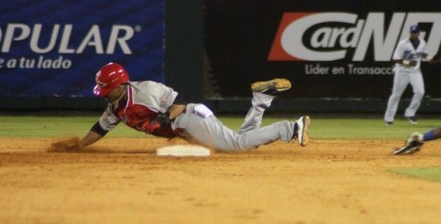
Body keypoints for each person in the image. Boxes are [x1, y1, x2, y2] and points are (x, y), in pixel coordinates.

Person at [51, 62, 310, 152]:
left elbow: (179, 104)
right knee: (240, 142)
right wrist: (80, 146)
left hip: (190, 117)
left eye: (107, 90)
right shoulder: (116, 106)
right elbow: (101, 127)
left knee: (238, 146)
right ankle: (261, 98)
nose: (104, 95)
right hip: (186, 127)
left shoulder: (145, 91)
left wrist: (166, 119)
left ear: (120, 85)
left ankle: (290, 128)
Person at [384, 24, 429, 125]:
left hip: (415, 71)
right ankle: (389, 118)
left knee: (420, 92)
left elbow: (418, 54)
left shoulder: (422, 43)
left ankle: (410, 112)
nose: (413, 34)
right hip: (402, 72)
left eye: (415, 33)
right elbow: (395, 58)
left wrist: (424, 55)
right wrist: (407, 63)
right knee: (396, 95)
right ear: (410, 32)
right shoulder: (403, 44)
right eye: (412, 32)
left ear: (419, 33)